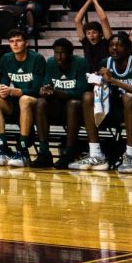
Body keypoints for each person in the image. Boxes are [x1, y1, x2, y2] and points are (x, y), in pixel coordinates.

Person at [70, 34, 132, 172]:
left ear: (128, 49)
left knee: (129, 97)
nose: (114, 48)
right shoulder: (105, 63)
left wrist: (113, 80)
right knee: (88, 96)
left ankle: (130, 155)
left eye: (119, 45)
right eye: (111, 45)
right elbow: (94, 89)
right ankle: (96, 154)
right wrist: (96, 79)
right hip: (110, 109)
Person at [0, 29, 46, 167]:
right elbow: (4, 83)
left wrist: (15, 91)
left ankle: (23, 151)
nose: (15, 44)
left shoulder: (37, 58)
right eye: (12, 41)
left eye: (18, 41)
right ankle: (3, 148)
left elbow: (37, 90)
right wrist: (2, 91)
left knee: (24, 99)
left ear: (26, 43)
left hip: (34, 101)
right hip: (16, 101)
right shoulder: (6, 58)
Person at [38, 39, 89, 169]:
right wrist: (44, 91)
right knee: (40, 102)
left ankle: (69, 151)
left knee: (72, 103)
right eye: (56, 53)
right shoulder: (50, 62)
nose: (59, 57)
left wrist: (57, 92)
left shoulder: (81, 63)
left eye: (62, 53)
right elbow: (47, 85)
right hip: (57, 107)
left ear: (71, 53)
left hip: (79, 111)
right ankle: (44, 152)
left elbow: (82, 92)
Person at [74, 0, 112, 70]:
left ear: (100, 33)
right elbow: (77, 21)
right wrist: (88, 1)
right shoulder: (86, 42)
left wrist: (95, 1)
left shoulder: (106, 42)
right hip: (89, 75)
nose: (91, 35)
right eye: (88, 33)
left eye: (94, 32)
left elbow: (104, 19)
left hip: (105, 74)